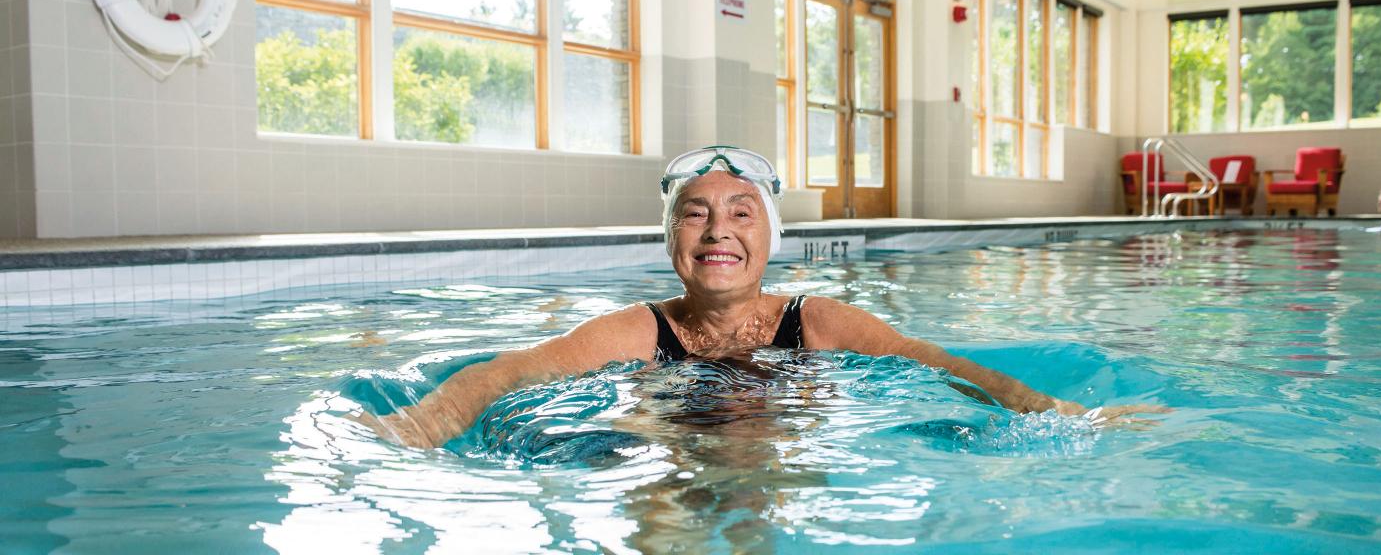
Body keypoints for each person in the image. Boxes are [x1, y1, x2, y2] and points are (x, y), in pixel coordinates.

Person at [358, 145, 1164, 448]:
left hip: (785, 451)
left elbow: (945, 366)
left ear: (770, 237)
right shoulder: (638, 332)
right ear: (671, 240)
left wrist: (1065, 416)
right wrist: (422, 421)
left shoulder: (815, 320)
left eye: (741, 214)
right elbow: (508, 371)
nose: (718, 231)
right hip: (670, 444)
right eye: (695, 216)